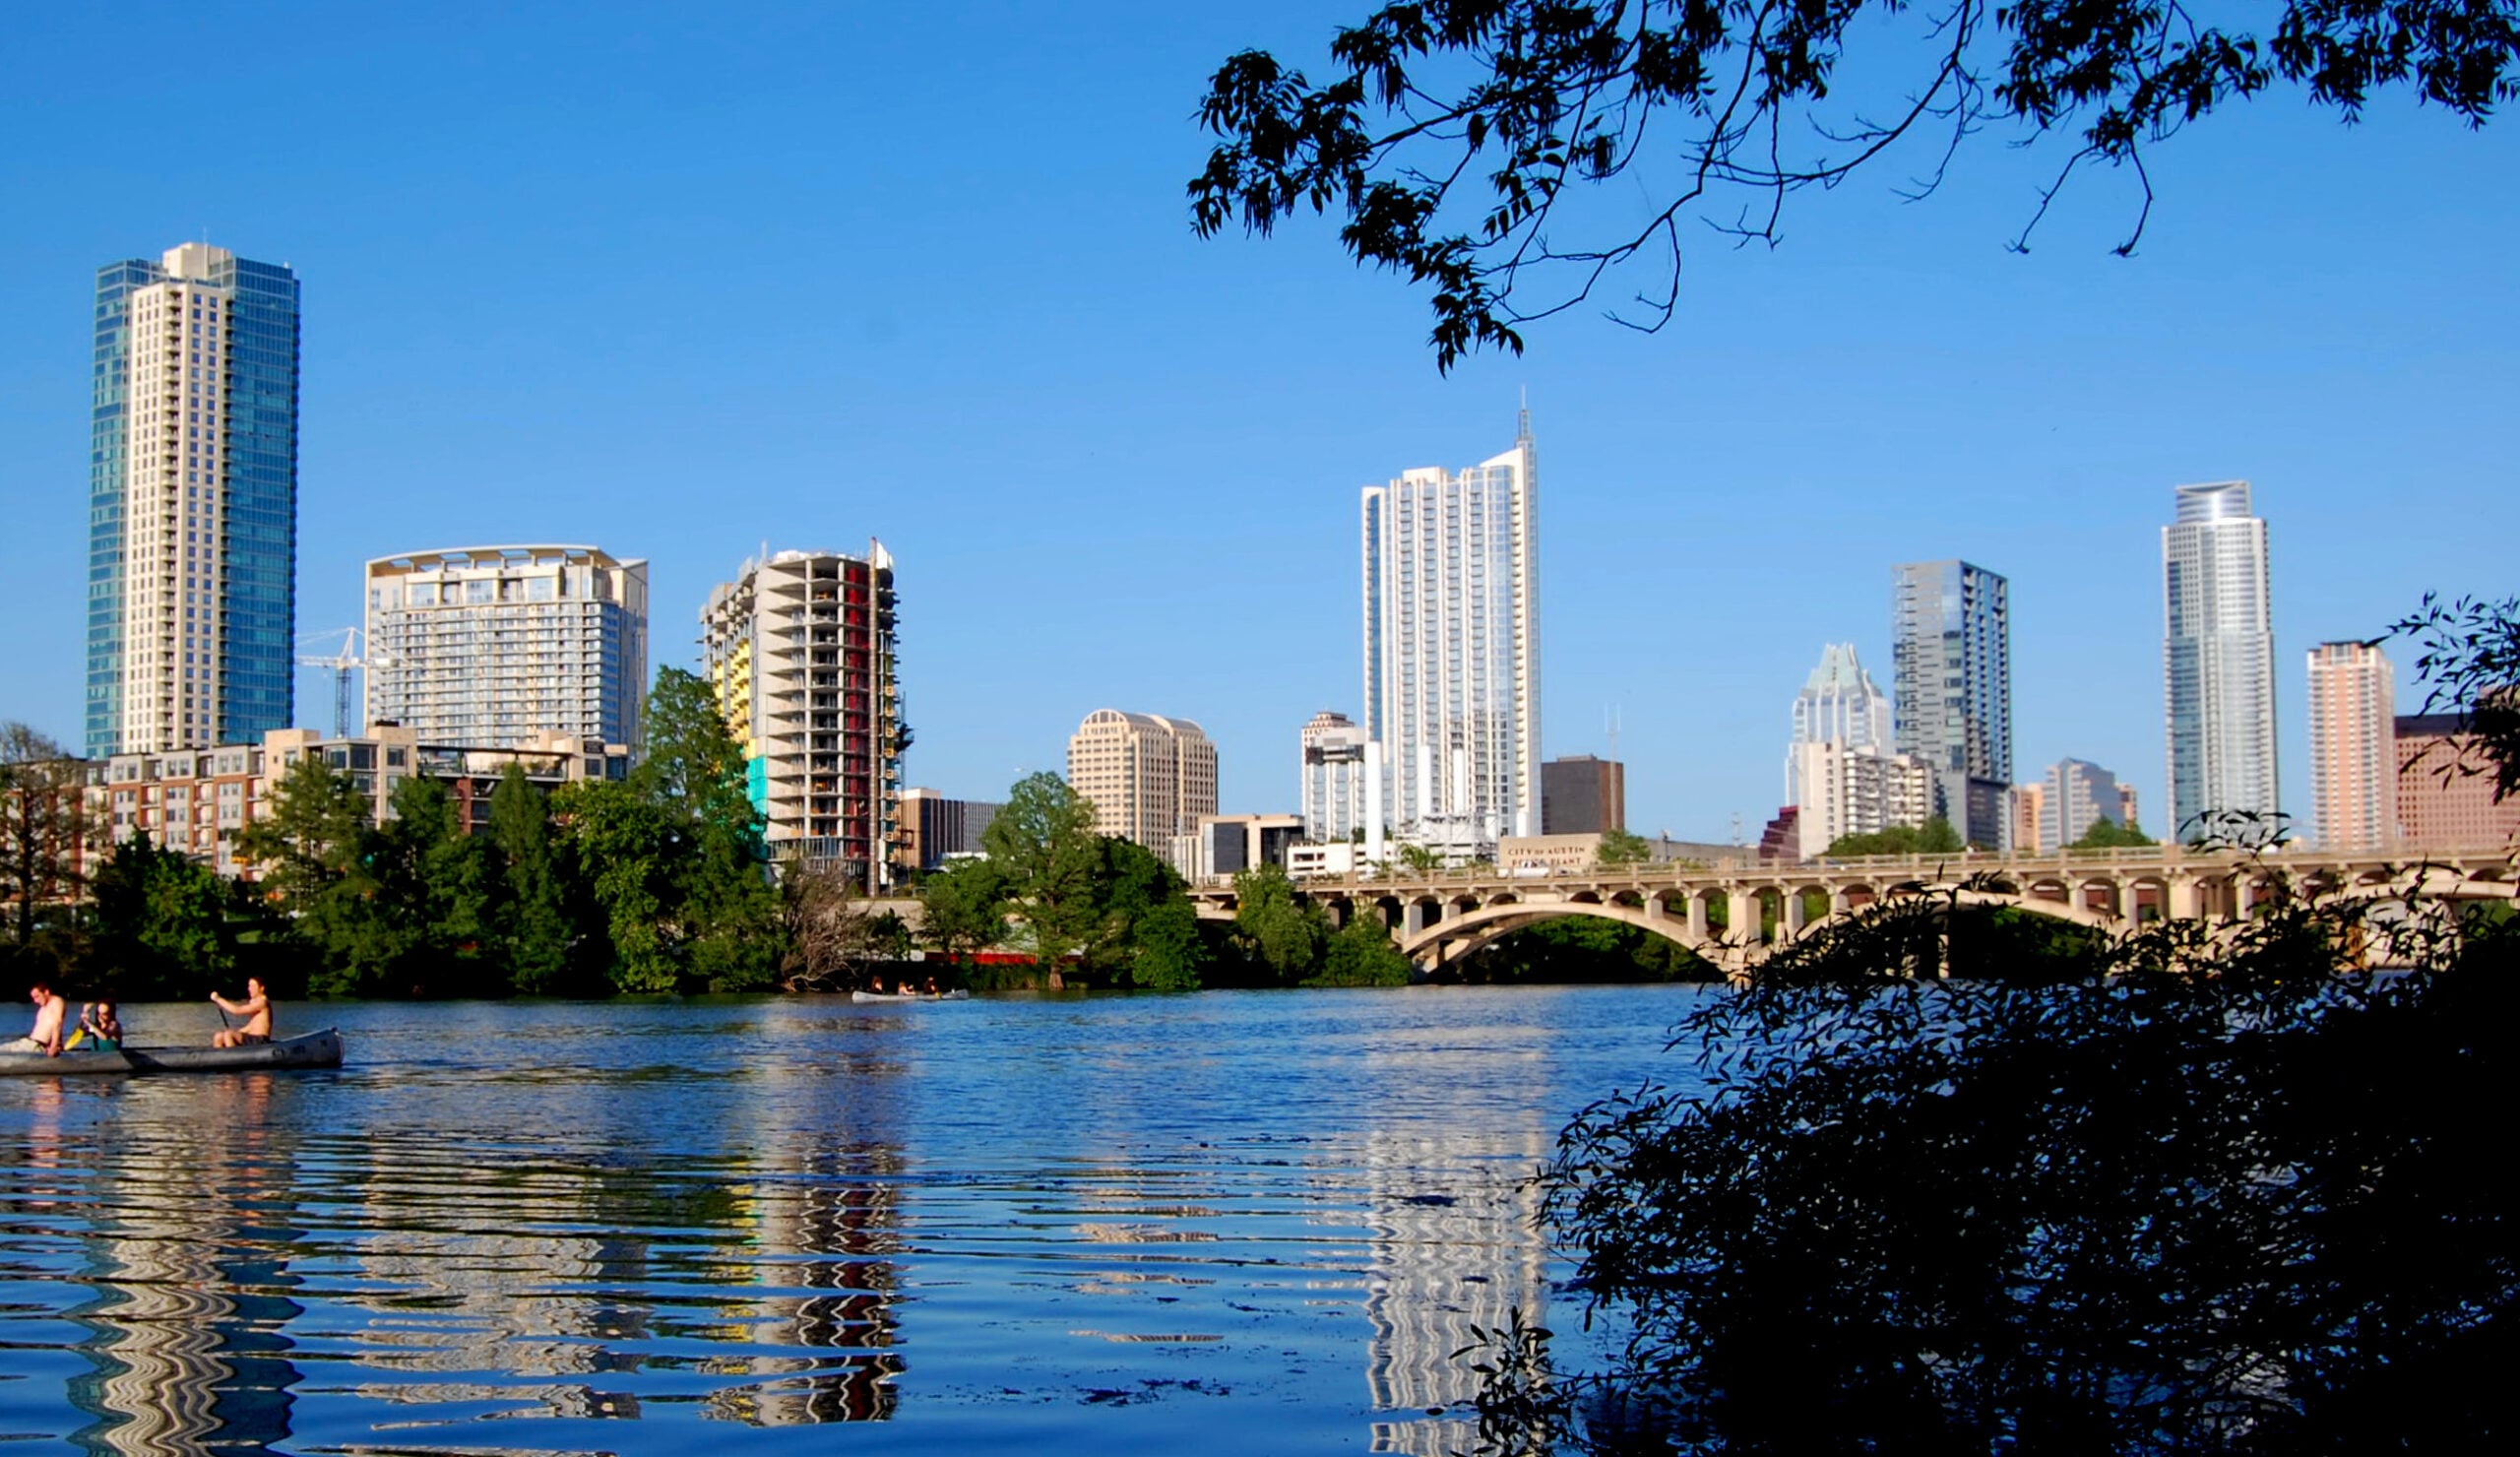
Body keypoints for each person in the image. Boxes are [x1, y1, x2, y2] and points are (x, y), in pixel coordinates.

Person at [9, 982, 69, 1056]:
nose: (35, 1001)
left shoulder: (56, 1001)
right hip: (28, 1043)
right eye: (33, 998)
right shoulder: (42, 1009)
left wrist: (54, 1046)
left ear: (46, 992)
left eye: (37, 996)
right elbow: (51, 1027)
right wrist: (58, 1043)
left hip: (36, 1046)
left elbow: (57, 1023)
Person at [210, 977, 273, 1047]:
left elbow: (237, 1010)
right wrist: (238, 1032)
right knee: (219, 1036)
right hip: (251, 1038)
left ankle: (232, 1056)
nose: (249, 989)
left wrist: (218, 999)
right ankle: (220, 1056)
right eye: (249, 986)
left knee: (228, 1034)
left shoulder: (262, 1002)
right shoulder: (254, 1002)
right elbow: (252, 1026)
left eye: (253, 986)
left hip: (260, 1039)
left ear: (262, 988)